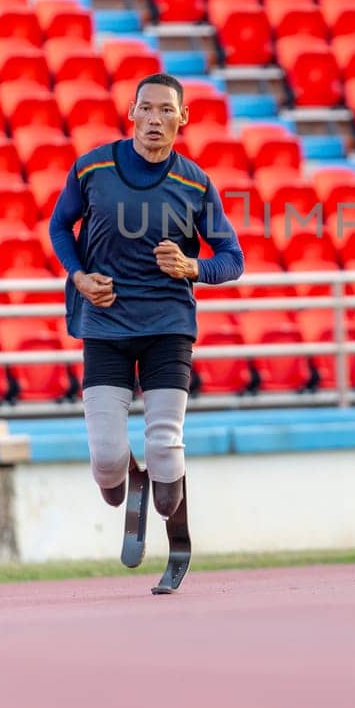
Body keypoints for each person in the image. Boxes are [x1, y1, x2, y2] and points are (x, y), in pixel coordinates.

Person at [47, 72, 245, 529]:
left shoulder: (195, 185)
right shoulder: (92, 169)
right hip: (106, 323)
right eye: (147, 108)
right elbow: (59, 227)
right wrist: (77, 276)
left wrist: (192, 267)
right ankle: (129, 477)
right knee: (107, 461)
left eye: (167, 110)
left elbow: (233, 259)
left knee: (163, 448)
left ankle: (168, 506)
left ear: (184, 118)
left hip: (168, 326)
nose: (155, 119)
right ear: (131, 113)